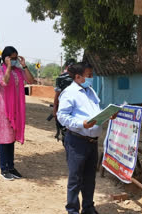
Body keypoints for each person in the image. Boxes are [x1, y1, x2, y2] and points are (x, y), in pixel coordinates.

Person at [57, 62, 105, 214]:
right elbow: (62, 116)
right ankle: (72, 210)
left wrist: (108, 114)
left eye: (92, 75)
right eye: (88, 76)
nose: (91, 78)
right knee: (75, 179)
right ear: (78, 77)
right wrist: (82, 123)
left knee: (90, 178)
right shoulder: (69, 93)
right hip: (77, 141)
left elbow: (95, 110)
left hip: (92, 142)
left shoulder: (90, 90)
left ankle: (88, 207)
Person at [0, 46, 35, 180]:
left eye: (16, 58)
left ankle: (11, 166)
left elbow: (31, 81)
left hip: (16, 108)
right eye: (12, 58)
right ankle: (4, 168)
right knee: (5, 139)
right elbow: (4, 82)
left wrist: (24, 66)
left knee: (11, 139)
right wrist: (9, 67)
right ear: (6, 58)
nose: (14, 60)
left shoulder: (18, 71)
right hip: (3, 109)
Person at [53, 58, 76, 142]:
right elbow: (57, 94)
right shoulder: (79, 77)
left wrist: (55, 108)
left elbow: (57, 94)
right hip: (72, 107)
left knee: (65, 128)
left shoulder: (60, 77)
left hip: (64, 106)